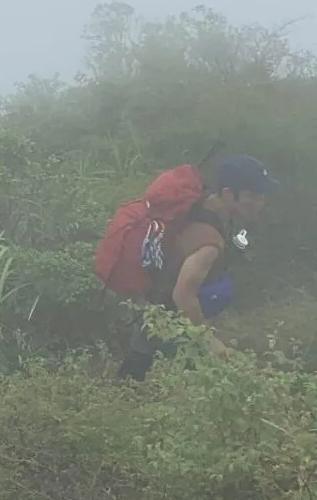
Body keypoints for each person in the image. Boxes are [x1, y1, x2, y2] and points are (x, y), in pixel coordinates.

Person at [118, 153, 276, 379]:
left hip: (156, 299)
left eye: (262, 195)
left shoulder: (203, 204)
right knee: (158, 373)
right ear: (228, 193)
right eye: (251, 196)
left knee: (138, 364)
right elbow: (183, 295)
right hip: (169, 312)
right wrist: (207, 339)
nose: (259, 202)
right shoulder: (209, 242)